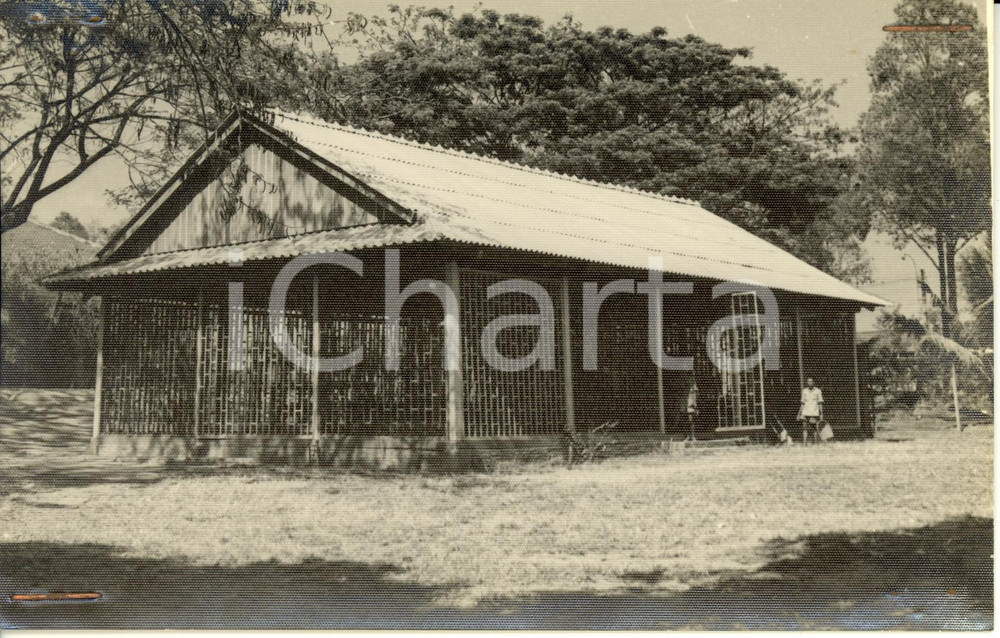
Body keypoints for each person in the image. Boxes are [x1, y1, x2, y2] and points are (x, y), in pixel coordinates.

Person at [798, 377, 824, 444]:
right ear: (807, 383)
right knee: (804, 428)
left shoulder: (818, 391)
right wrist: (799, 414)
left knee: (815, 429)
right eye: (808, 381)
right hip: (805, 412)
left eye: (811, 381)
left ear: (813, 382)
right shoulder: (804, 391)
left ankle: (815, 443)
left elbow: (820, 403)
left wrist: (821, 414)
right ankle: (804, 444)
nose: (810, 383)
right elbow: (802, 403)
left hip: (814, 413)